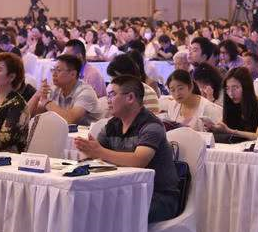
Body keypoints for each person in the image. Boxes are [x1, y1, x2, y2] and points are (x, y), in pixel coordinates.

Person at [74, 75, 181, 223]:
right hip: (124, 191)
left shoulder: (151, 125)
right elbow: (96, 156)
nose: (107, 100)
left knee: (108, 211)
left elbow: (138, 161)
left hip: (158, 196)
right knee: (84, 203)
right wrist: (89, 152)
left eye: (112, 95)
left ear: (130, 97)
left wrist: (98, 152)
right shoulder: (112, 125)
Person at [25, 53, 101, 127]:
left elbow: (69, 120)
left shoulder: (85, 92)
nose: (54, 74)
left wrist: (46, 102)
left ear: (73, 74)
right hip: (64, 133)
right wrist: (37, 95)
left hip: (87, 134)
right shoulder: (55, 89)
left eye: (58, 70)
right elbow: (26, 115)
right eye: (53, 70)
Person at [204, 66, 258, 141]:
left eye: (235, 88)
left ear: (247, 87)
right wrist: (215, 128)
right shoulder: (231, 104)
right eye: (227, 88)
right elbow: (223, 125)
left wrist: (231, 131)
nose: (230, 93)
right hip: (235, 146)